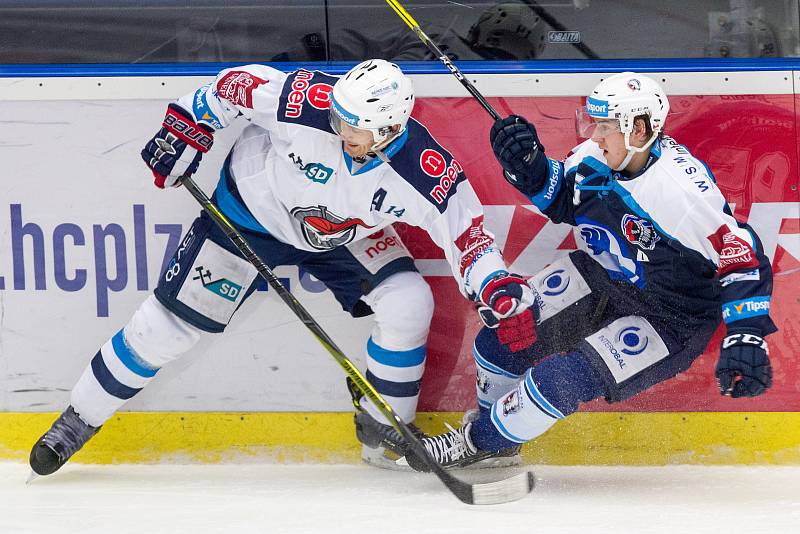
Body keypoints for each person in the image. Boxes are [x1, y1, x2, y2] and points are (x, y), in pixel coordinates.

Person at [28, 59, 538, 476]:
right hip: (250, 212)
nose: (337, 130)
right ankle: (76, 421)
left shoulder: (426, 172)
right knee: (167, 330)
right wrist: (185, 128)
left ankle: (383, 432)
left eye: (353, 127)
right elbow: (232, 87)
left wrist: (496, 286)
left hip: (342, 235)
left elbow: (469, 238)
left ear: (389, 129)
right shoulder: (308, 100)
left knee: (409, 301)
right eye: (337, 116)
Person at [402, 72, 777, 471]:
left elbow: (743, 257)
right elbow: (563, 199)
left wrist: (746, 333)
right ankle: (498, 443)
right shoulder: (593, 157)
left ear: (639, 128)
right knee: (498, 341)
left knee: (558, 380)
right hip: (602, 278)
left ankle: (477, 442)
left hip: (672, 317)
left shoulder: (679, 192)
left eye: (607, 127)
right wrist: (528, 167)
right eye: (594, 124)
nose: (596, 136)